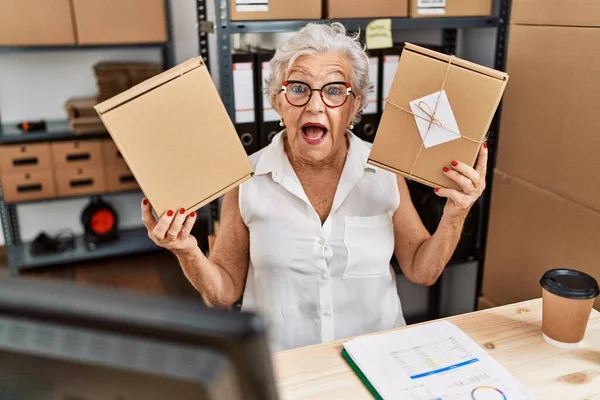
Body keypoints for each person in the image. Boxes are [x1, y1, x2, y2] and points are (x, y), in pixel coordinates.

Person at [141, 23, 487, 352]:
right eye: (298, 89)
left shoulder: (384, 171)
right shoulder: (247, 177)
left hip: (377, 358)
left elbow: (421, 270)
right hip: (286, 367)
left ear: (355, 107)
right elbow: (223, 292)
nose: (315, 104)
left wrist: (456, 213)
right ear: (277, 102)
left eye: (335, 90)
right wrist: (186, 250)